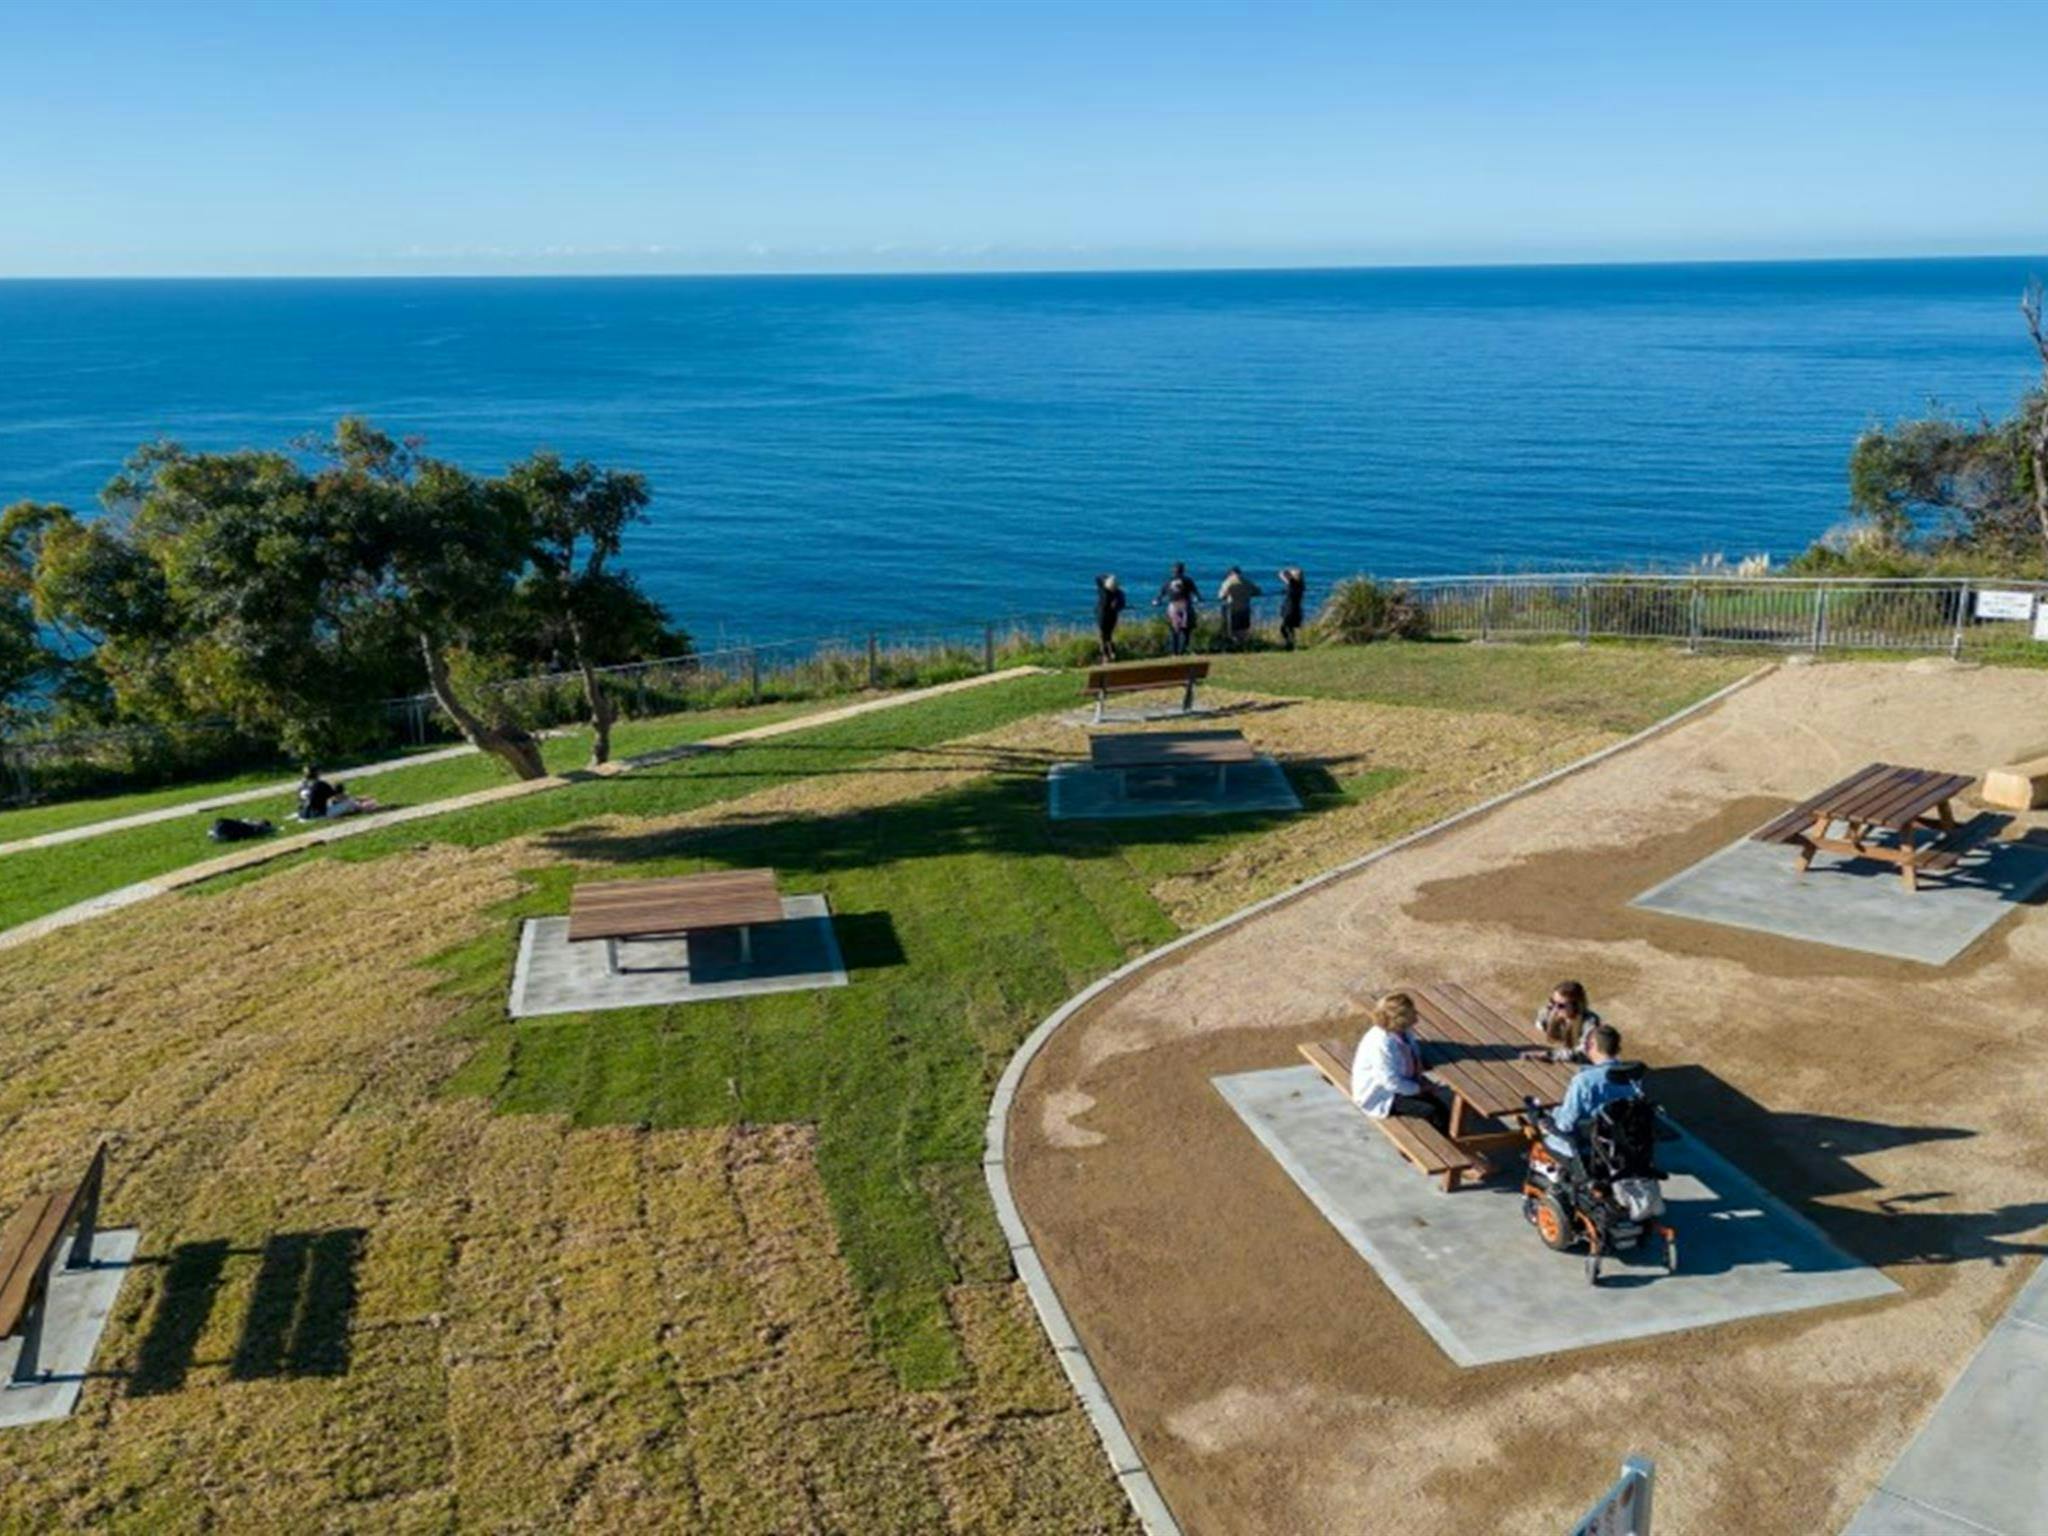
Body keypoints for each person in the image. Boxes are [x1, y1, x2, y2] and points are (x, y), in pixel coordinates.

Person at [1349, 991, 1450, 1131]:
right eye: (1412, 1012)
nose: (1416, 1014)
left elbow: (1412, 1053)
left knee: (1440, 1106)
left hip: (1399, 1084)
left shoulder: (1402, 1031)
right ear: (1401, 1018)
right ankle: (1444, 1148)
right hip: (1382, 1095)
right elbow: (1390, 1082)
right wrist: (1419, 1089)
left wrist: (1419, 1080)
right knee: (1433, 1111)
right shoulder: (1381, 1044)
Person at [1541, 1024, 1642, 1158]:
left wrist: (1549, 1122)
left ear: (1592, 1045)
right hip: (1621, 1139)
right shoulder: (1632, 1074)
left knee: (1546, 1134)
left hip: (1588, 1145)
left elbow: (1566, 1124)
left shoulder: (1584, 1080)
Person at [1526, 980, 1601, 1063]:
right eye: (1552, 1002)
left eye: (1561, 1006)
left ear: (1576, 1006)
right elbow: (1538, 1030)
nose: (1555, 1008)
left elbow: (1583, 1053)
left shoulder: (1590, 1022)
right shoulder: (1547, 1012)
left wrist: (1551, 1054)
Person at [1155, 562, 1200, 656]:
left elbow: (1161, 594)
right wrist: (1198, 598)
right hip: (1185, 604)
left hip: (1173, 606)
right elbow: (1196, 593)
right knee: (1186, 629)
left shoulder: (1168, 581)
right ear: (1183, 570)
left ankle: (1174, 652)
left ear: (1173, 571)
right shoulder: (1188, 580)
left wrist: (1157, 601)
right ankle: (1183, 650)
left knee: (1174, 629)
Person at [1217, 565, 1262, 650]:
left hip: (1233, 608)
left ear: (1230, 573)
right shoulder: (1247, 582)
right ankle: (1243, 645)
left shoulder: (1228, 582)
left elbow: (1221, 596)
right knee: (1244, 629)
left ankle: (1236, 646)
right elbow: (1258, 591)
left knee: (1233, 630)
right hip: (1245, 608)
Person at [1094, 573, 1127, 663]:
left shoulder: (1103, 592)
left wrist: (1107, 576)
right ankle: (1112, 653)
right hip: (1113, 616)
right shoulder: (1119, 593)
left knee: (1102, 636)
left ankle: (1105, 655)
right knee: (1109, 636)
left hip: (1103, 616)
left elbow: (1097, 578)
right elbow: (1122, 605)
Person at [1277, 567, 1307, 651]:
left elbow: (1281, 573)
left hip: (1290, 608)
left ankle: (1289, 644)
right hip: (1296, 608)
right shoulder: (1301, 584)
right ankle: (1291, 644)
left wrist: (1288, 570)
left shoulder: (1293, 583)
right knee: (1290, 628)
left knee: (1284, 628)